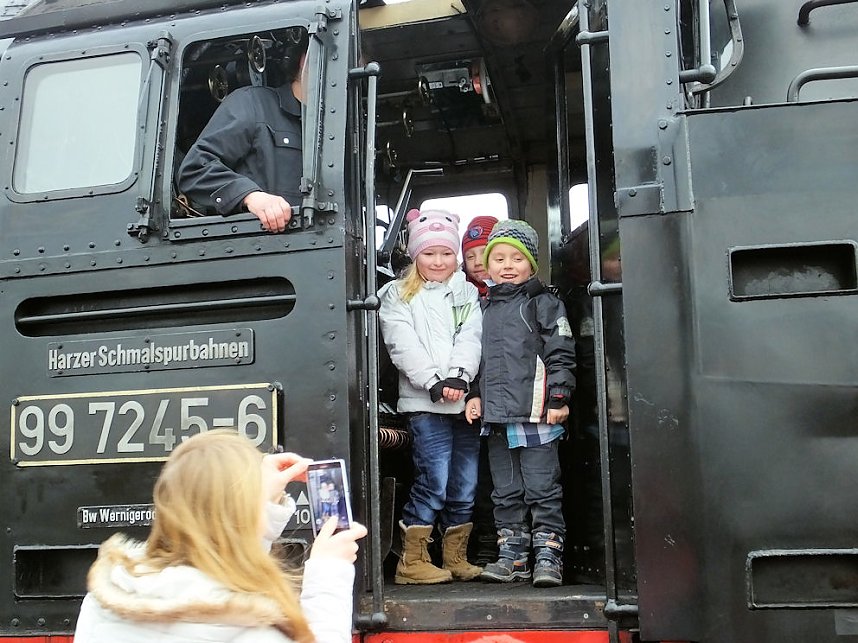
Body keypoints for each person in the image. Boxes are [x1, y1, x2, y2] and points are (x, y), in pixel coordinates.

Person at [74, 429, 367, 643]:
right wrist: (329, 576)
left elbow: (221, 563)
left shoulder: (106, 600)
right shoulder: (247, 630)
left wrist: (258, 506)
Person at [464, 219, 576, 588]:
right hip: (496, 419)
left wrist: (559, 397)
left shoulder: (544, 304)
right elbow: (476, 360)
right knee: (505, 492)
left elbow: (561, 353)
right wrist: (474, 394)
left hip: (537, 414)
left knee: (543, 489)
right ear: (488, 264)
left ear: (532, 264)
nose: (507, 265)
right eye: (499, 258)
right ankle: (512, 557)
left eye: (517, 258)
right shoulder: (482, 308)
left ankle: (549, 555)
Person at [378, 208, 483, 585]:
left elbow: (470, 337)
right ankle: (411, 563)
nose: (438, 261)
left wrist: (459, 376)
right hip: (424, 404)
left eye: (446, 254)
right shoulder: (394, 294)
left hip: (462, 402)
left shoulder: (467, 291)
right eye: (429, 253)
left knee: (464, 483)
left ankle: (455, 557)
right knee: (433, 481)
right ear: (414, 254)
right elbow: (401, 344)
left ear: (456, 256)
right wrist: (434, 382)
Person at [177, 29, 308, 233]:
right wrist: (251, 196)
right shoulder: (252, 104)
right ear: (305, 60)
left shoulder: (327, 135)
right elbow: (195, 169)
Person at [460, 215, 500, 567]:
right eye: (470, 255)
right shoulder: (462, 298)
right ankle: (482, 543)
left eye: (484, 253)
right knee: (479, 477)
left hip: (506, 397)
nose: (477, 262)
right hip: (474, 397)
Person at [461, 215, 499, 298]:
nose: (477, 262)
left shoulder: (519, 292)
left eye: (485, 253)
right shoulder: (458, 292)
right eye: (470, 257)